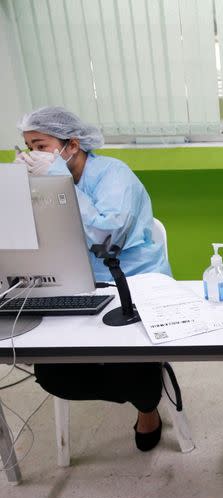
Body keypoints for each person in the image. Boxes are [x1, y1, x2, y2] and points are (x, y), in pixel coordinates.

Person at [14, 107, 171, 451]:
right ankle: (138, 389)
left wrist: (61, 183)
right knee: (51, 373)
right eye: (26, 148)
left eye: (39, 146)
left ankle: (147, 406)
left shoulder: (113, 175)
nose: (31, 156)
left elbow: (107, 238)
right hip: (75, 283)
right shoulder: (43, 180)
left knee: (131, 367)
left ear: (71, 144)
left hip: (131, 282)